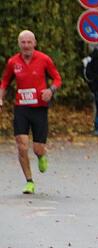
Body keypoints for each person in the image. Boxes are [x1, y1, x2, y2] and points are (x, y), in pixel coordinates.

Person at [0, 30, 62, 195]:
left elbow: (57, 78)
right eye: (23, 42)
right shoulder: (13, 62)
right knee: (22, 145)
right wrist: (1, 96)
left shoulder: (44, 59)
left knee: (37, 148)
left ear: (34, 43)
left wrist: (51, 90)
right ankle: (29, 181)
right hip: (21, 108)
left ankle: (42, 155)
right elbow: (5, 81)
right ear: (19, 44)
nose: (26, 45)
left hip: (39, 108)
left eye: (29, 42)